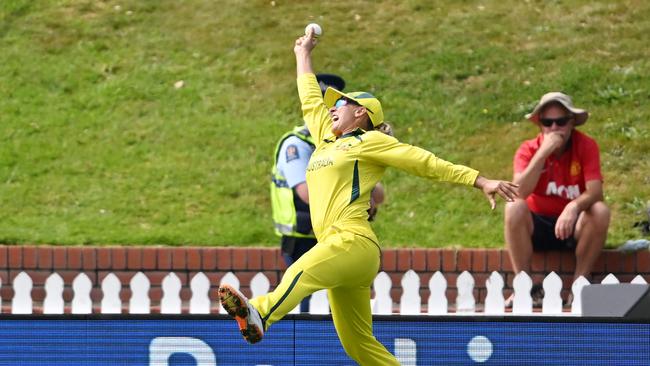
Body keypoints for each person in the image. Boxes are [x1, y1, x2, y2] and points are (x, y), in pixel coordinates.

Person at [219, 28, 518, 364]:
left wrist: (479, 180)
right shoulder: (325, 138)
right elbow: (309, 99)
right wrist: (303, 54)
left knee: (301, 272)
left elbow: (425, 162)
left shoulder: (370, 142)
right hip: (345, 253)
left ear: (360, 113)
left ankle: (260, 312)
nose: (331, 108)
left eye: (340, 104)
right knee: (359, 346)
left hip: (352, 242)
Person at [271, 74, 387, 312]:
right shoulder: (298, 144)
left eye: (335, 105)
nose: (330, 110)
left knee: (342, 309)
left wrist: (376, 154)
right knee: (303, 306)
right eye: (325, 105)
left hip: (340, 236)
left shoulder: (351, 142)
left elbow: (379, 195)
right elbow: (306, 193)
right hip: (304, 237)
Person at [504, 92, 610, 306]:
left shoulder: (586, 146)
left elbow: (596, 191)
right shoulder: (528, 150)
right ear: (540, 126)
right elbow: (519, 192)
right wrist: (542, 154)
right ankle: (524, 287)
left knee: (600, 210)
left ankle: (579, 287)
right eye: (547, 122)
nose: (554, 128)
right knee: (513, 206)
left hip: (574, 225)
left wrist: (573, 206)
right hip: (537, 224)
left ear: (571, 123)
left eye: (560, 122)